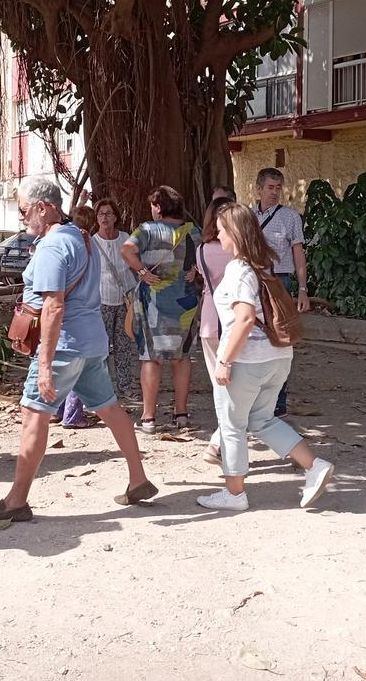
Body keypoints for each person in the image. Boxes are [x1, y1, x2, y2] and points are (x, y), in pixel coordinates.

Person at [0, 178, 156, 523]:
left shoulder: (54, 246)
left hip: (65, 346)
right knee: (110, 409)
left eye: (24, 210)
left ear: (44, 207)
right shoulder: (81, 237)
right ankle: (138, 478)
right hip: (91, 341)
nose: (22, 218)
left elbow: (53, 307)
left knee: (33, 414)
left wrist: (44, 363)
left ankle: (16, 501)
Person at [196, 202, 334, 512]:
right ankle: (314, 467)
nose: (218, 237)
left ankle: (234, 494)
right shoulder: (261, 266)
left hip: (248, 361)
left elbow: (244, 319)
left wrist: (225, 360)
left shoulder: (238, 269)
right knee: (262, 420)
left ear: (233, 233)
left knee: (231, 424)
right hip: (279, 357)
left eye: (220, 231)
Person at [121, 185, 202, 432]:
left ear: (158, 206)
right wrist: (194, 271)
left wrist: (143, 272)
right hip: (185, 302)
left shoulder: (146, 229)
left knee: (151, 358)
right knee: (182, 357)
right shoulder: (193, 230)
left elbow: (126, 250)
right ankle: (181, 414)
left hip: (153, 301)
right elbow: (203, 256)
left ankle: (148, 418)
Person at [253, 168, 310, 417]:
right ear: (258, 189)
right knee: (253, 337)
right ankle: (254, 397)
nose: (275, 192)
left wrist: (303, 288)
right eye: (270, 188)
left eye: (278, 188)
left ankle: (279, 400)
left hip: (280, 281)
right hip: (252, 280)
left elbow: (298, 253)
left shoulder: (290, 217)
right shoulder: (247, 216)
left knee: (280, 338)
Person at [193, 196, 236, 465]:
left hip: (208, 320)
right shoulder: (236, 250)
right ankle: (220, 442)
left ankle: (220, 441)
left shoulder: (201, 250)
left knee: (219, 386)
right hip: (231, 320)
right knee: (235, 388)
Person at [52, 205, 98, 428]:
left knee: (61, 366)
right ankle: (72, 415)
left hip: (63, 313)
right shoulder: (89, 245)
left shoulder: (63, 242)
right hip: (84, 315)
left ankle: (56, 409)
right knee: (79, 370)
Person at [93, 198, 138, 399]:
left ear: (115, 216)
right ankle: (102, 389)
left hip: (125, 299)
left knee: (124, 345)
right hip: (101, 300)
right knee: (102, 347)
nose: (104, 217)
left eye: (108, 213)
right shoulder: (93, 242)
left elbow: (133, 264)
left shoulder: (125, 238)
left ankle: (125, 385)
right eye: (101, 214)